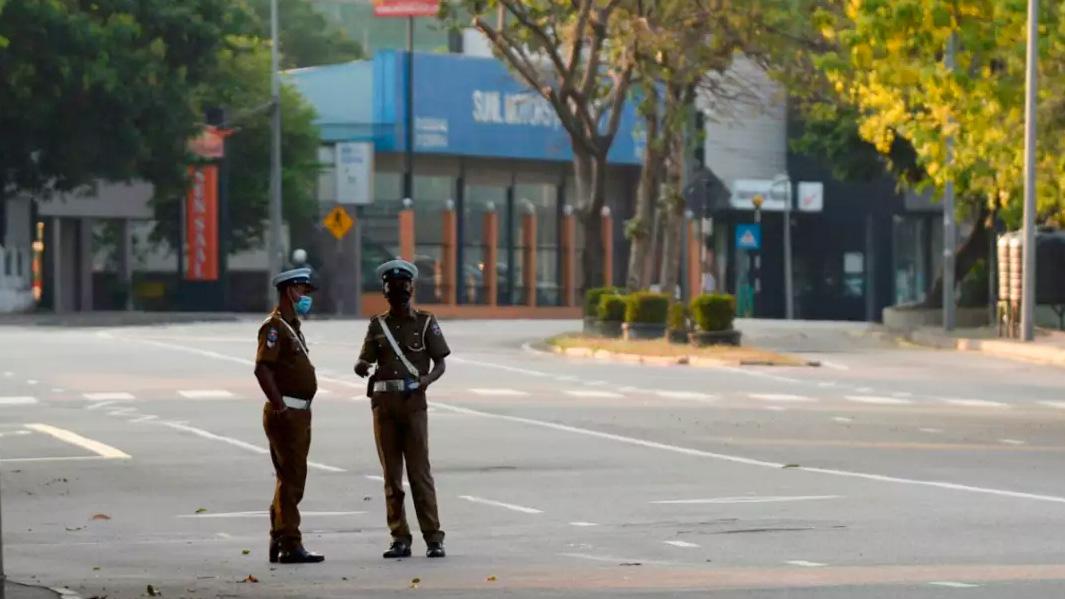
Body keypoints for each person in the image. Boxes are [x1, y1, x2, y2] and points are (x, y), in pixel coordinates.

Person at [354, 259, 450, 559]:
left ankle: (434, 538)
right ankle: (399, 537)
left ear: (411, 288)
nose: (398, 291)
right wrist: (361, 365)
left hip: (413, 405)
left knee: (420, 473)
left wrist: (426, 381)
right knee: (392, 477)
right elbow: (365, 358)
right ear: (385, 291)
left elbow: (441, 363)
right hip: (384, 407)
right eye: (393, 287)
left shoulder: (425, 322)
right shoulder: (377, 325)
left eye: (403, 286)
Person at [254, 267, 324, 564]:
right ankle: (290, 543)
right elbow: (262, 368)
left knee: (288, 477)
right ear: (289, 291)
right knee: (292, 477)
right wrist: (281, 406)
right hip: (288, 413)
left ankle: (278, 538)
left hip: (298, 412)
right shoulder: (275, 327)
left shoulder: (291, 326)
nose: (306, 297)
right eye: (302, 291)